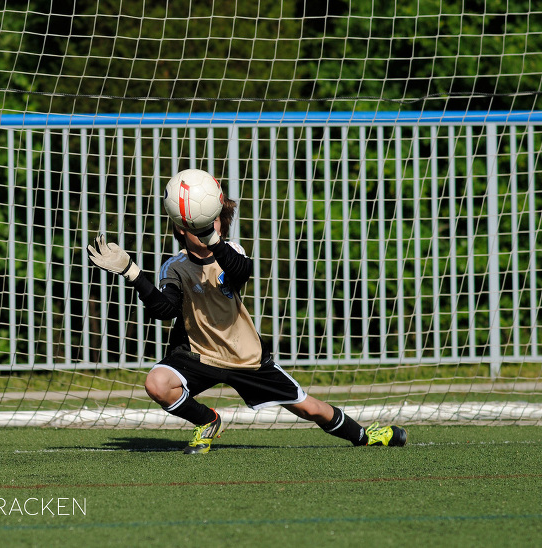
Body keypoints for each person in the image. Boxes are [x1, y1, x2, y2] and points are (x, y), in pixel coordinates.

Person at [87, 182, 407, 454]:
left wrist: (213, 237)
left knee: (311, 409)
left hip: (247, 358)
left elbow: (240, 272)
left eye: (210, 222)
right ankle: (207, 421)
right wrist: (131, 273)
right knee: (157, 383)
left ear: (217, 224)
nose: (202, 229)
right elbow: (165, 310)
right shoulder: (175, 267)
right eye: (196, 224)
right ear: (180, 227)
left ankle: (365, 436)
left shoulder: (232, 253)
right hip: (200, 356)